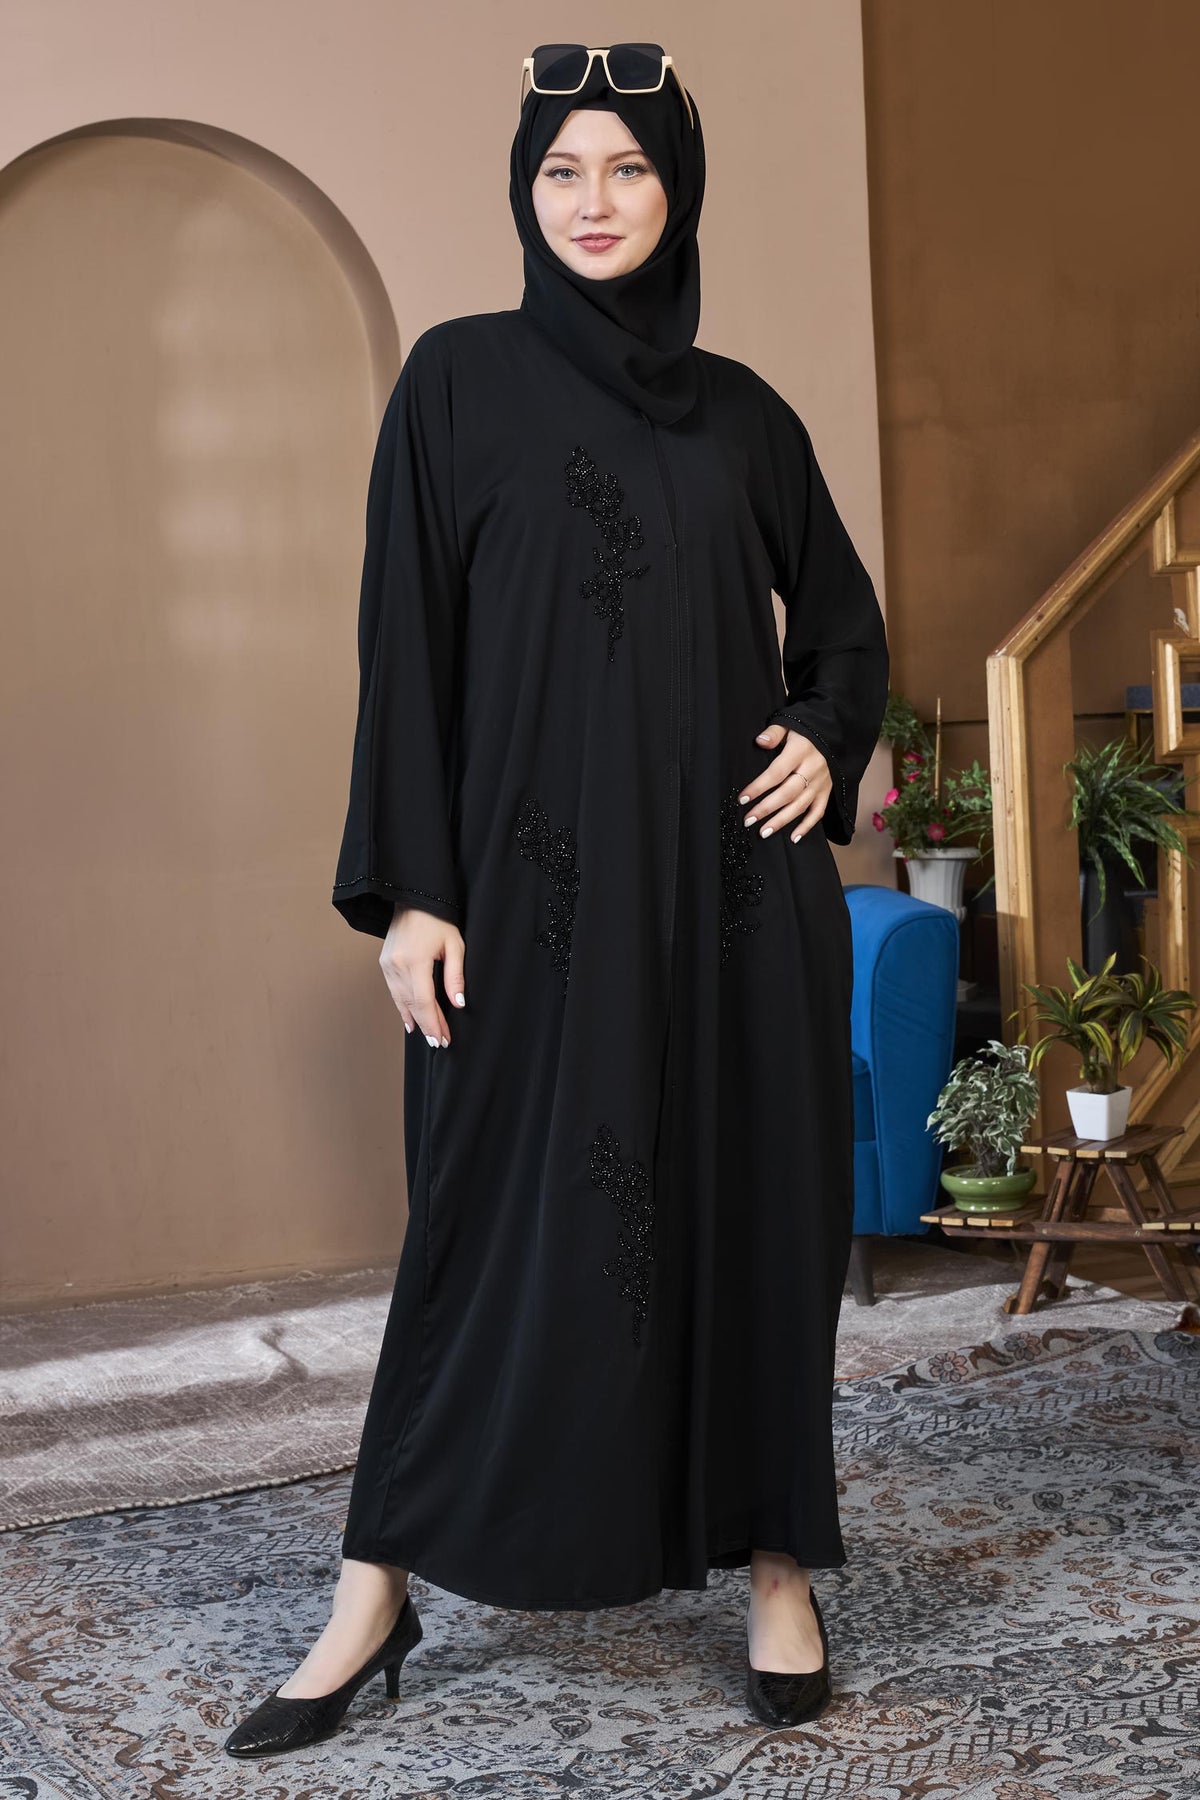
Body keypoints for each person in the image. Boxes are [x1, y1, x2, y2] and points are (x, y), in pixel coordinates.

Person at [225, 42, 889, 1759]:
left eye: (629, 168)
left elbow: (843, 633)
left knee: (753, 1220)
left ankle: (776, 1565)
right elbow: (406, 652)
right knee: (483, 1234)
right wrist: (412, 895)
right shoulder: (455, 383)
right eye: (561, 171)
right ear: (525, 195)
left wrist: (823, 739)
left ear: (680, 192)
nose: (594, 202)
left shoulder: (747, 416)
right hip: (523, 907)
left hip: (733, 908)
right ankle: (374, 1593)